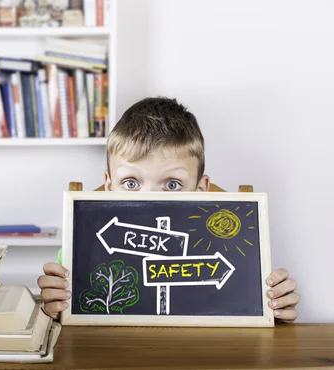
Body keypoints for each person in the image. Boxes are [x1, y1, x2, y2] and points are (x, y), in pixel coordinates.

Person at [37, 97, 300, 322]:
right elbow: (62, 317)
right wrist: (56, 307)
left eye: (172, 184)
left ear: (201, 188)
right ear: (108, 185)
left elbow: (242, 304)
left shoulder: (228, 248)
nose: (151, 199)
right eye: (131, 183)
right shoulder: (81, 249)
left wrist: (272, 304)